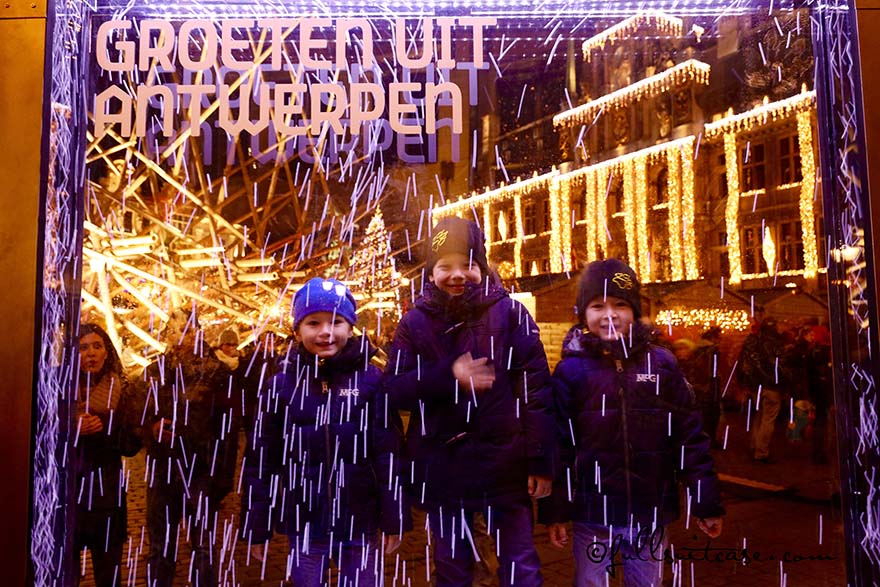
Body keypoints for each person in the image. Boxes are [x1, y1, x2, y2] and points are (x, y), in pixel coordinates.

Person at [385, 216, 557, 587]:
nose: (457, 274)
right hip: (443, 470)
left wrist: (540, 460)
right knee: (451, 567)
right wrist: (448, 376)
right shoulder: (414, 323)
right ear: (431, 274)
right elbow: (394, 390)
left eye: (468, 264)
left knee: (520, 564)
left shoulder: (512, 315)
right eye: (445, 266)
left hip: (506, 466)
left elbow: (537, 392)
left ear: (482, 266)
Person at [541, 259, 724, 587]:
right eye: (598, 306)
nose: (609, 314)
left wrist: (704, 500)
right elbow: (559, 445)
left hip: (649, 511)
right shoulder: (570, 372)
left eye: (620, 305)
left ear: (634, 311)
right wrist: (556, 509)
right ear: (584, 314)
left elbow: (688, 437)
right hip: (592, 514)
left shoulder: (662, 364)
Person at [240, 277, 410, 587]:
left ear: (350, 327)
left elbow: (388, 454)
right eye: (313, 323)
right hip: (304, 523)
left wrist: (393, 516)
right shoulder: (281, 386)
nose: (326, 332)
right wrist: (257, 526)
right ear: (297, 330)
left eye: (336, 322)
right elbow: (260, 461)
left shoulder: (371, 382)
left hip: (360, 520)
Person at [140, 309, 239, 587]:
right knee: (161, 549)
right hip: (163, 471)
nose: (180, 337)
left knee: (203, 548)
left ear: (198, 333)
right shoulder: (155, 370)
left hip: (201, 471)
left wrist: (221, 481)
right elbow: (140, 414)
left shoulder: (217, 373)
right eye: (173, 331)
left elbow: (228, 431)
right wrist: (152, 428)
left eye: (186, 330)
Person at [74, 323, 142, 587]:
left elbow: (131, 445)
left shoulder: (122, 390)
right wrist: (72, 426)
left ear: (106, 352)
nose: (90, 353)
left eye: (97, 346)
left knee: (108, 574)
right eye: (83, 347)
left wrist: (106, 424)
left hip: (106, 497)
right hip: (69, 498)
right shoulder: (58, 389)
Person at [737, 314, 791, 463]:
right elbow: (781, 367)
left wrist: (744, 383)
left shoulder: (751, 342)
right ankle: (761, 452)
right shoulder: (775, 344)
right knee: (768, 419)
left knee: (758, 416)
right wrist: (785, 385)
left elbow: (743, 363)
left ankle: (754, 445)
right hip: (772, 386)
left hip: (755, 385)